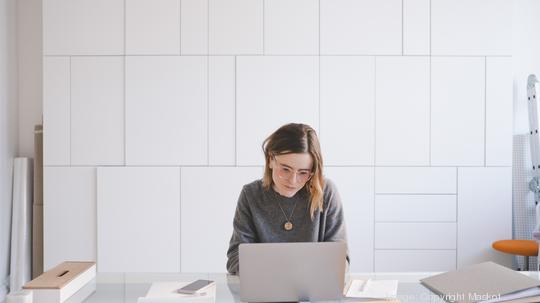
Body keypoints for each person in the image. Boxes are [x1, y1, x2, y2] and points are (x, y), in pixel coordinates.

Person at [226, 123, 349, 275]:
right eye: (285, 169)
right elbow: (235, 259)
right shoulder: (251, 194)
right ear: (271, 159)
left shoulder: (326, 192)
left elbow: (340, 260)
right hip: (265, 294)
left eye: (303, 172)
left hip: (313, 295)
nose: (293, 180)